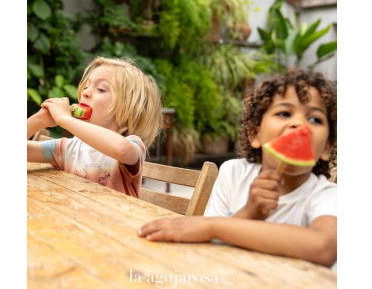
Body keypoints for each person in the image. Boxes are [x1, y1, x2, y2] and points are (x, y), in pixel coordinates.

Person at [137, 69, 337, 268]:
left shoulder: (326, 195)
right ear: (255, 134)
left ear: (327, 147)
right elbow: (213, 247)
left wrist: (213, 227)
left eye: (315, 119)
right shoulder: (234, 173)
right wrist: (250, 212)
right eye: (285, 113)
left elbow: (324, 247)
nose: (299, 125)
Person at [27, 57, 162, 198]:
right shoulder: (67, 149)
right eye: (86, 86)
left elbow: (121, 150)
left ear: (128, 108)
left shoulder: (133, 145)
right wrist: (38, 120)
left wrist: (65, 119)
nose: (85, 93)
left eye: (101, 89)